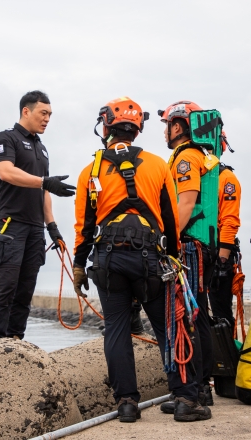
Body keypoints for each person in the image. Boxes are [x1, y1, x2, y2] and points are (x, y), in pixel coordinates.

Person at [73, 97, 210, 423]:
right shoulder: (157, 165)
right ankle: (186, 400)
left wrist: (79, 266)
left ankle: (127, 404)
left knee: (116, 330)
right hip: (150, 259)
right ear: (137, 130)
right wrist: (174, 259)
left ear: (106, 126)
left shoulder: (91, 170)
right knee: (170, 327)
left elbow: (85, 225)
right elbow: (169, 220)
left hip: (108, 260)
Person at [0, 91, 75, 341]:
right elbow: (6, 172)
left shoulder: (42, 149)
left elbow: (43, 189)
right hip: (9, 225)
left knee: (25, 291)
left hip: (35, 228)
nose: (47, 119)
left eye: (50, 115)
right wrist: (45, 181)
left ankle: (15, 341)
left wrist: (52, 227)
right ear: (26, 111)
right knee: (5, 288)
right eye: (42, 113)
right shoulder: (6, 138)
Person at [158, 101, 218, 408]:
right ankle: (201, 387)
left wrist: (168, 241)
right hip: (201, 244)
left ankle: (193, 392)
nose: (165, 132)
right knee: (199, 316)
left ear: (178, 127)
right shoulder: (203, 156)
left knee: (190, 317)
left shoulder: (185, 158)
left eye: (167, 125)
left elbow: (186, 201)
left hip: (190, 245)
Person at [209, 157, 242, 332]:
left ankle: (226, 355)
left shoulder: (226, 178)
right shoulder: (200, 177)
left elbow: (230, 221)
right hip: (198, 252)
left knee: (221, 312)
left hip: (219, 254)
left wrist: (222, 260)